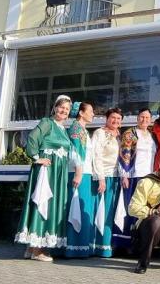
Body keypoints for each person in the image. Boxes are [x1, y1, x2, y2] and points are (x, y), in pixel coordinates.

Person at [15, 94, 72, 262]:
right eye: (61, 107)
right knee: (43, 202)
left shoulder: (63, 129)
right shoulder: (48, 123)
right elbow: (33, 138)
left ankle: (31, 247)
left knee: (48, 204)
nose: (63, 111)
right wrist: (36, 158)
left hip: (57, 172)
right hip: (47, 171)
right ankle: (37, 251)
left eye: (67, 109)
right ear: (55, 107)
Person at [114, 107, 156, 253]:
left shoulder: (152, 136)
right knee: (130, 209)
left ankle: (140, 244)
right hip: (133, 177)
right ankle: (125, 244)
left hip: (148, 179)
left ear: (151, 120)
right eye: (141, 117)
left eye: (147, 118)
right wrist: (124, 174)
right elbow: (124, 154)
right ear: (137, 118)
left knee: (144, 213)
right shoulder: (130, 133)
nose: (144, 120)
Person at [90, 107, 123, 257]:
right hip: (103, 177)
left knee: (110, 213)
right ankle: (96, 246)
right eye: (113, 118)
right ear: (107, 118)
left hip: (116, 178)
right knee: (101, 211)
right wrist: (101, 178)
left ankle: (107, 245)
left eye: (118, 119)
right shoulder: (99, 133)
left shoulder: (120, 136)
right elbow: (96, 155)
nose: (115, 121)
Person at [66, 101, 96, 258]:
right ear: (81, 113)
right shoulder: (76, 128)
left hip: (85, 173)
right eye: (90, 111)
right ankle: (73, 247)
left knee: (82, 208)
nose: (93, 114)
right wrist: (78, 172)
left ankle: (80, 246)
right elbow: (75, 151)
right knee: (76, 206)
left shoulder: (82, 129)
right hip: (79, 173)